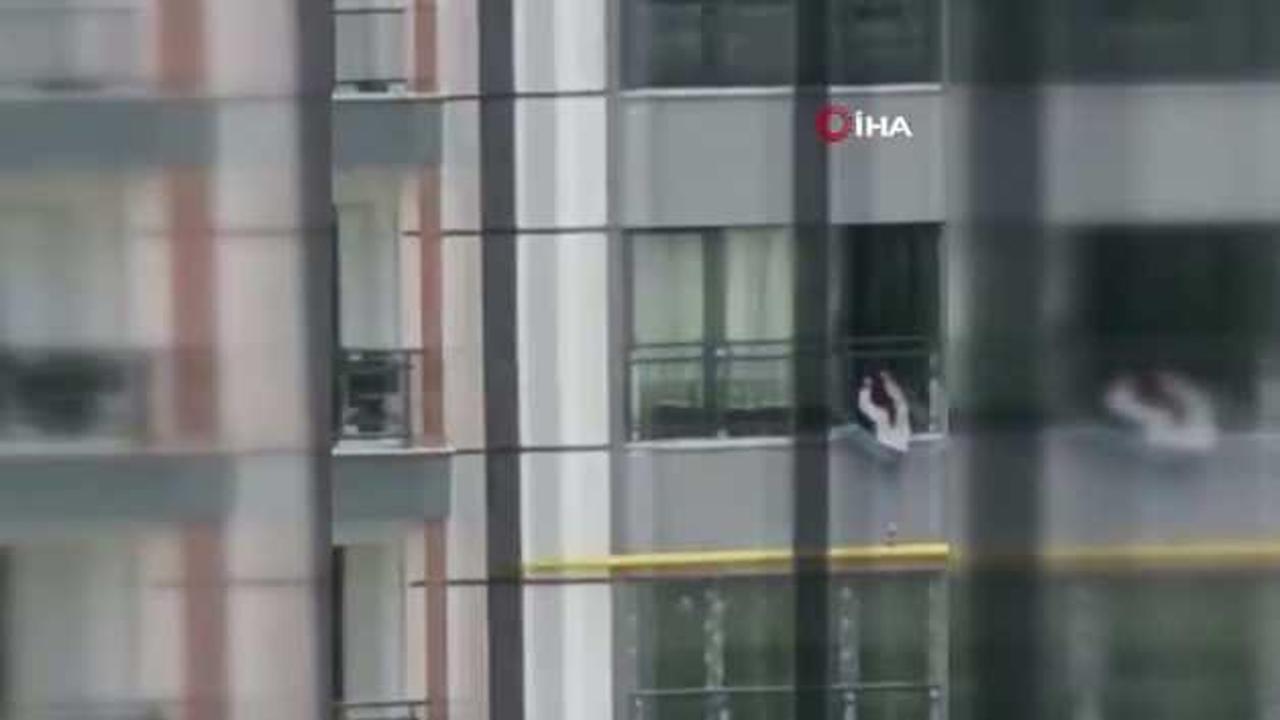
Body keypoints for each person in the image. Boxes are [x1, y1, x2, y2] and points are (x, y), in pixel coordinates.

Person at [857, 370, 912, 453]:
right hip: (893, 451)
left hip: (887, 451)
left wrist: (867, 386)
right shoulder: (898, 410)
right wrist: (887, 380)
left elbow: (865, 406)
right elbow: (897, 396)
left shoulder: (884, 414)